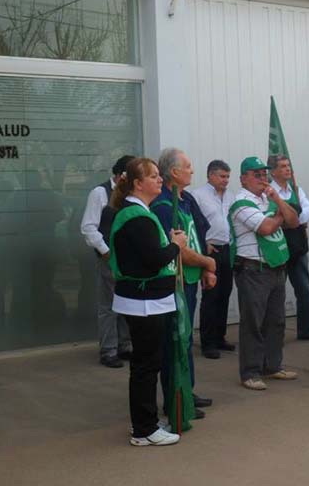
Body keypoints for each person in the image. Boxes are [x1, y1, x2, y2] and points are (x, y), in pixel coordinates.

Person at [108, 157, 187, 446]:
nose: (159, 180)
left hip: (147, 300)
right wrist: (175, 246)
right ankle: (145, 429)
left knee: (145, 364)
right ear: (138, 183)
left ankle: (144, 423)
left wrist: (167, 244)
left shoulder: (139, 213)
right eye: (153, 176)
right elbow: (153, 260)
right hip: (144, 302)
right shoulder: (137, 216)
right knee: (146, 366)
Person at [151, 148, 217, 418]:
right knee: (175, 340)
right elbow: (179, 248)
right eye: (187, 166)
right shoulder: (164, 206)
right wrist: (208, 263)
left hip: (190, 280)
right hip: (175, 283)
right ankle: (174, 399)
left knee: (187, 339)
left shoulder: (186, 199)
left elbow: (197, 235)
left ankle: (186, 391)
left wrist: (203, 269)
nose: (192, 170)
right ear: (174, 173)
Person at [230, 156, 300, 391]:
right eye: (256, 174)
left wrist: (277, 200)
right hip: (253, 269)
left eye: (264, 173)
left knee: (276, 321)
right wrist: (279, 214)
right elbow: (267, 227)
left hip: (275, 266)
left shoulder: (268, 197)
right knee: (253, 323)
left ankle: (272, 365)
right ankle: (250, 371)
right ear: (243, 178)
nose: (262, 178)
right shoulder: (241, 203)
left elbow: (294, 220)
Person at [80, 154, 134, 368]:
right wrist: (105, 251)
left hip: (128, 259)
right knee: (108, 305)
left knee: (125, 302)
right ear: (122, 175)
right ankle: (108, 350)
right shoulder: (100, 192)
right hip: (109, 258)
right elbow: (88, 227)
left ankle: (125, 345)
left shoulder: (130, 193)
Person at [268, 154, 309, 341]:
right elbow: (271, 216)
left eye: (288, 166)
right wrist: (293, 218)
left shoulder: (296, 189)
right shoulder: (269, 192)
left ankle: (306, 329)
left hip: (298, 245)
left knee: (303, 288)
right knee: (277, 292)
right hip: (279, 245)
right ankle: (275, 332)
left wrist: (291, 218)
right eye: (283, 166)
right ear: (274, 171)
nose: (288, 169)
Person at [191, 160, 237, 355]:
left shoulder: (231, 196)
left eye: (227, 176)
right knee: (211, 295)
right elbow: (193, 223)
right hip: (210, 251)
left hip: (228, 248)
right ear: (210, 175)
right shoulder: (197, 196)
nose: (225, 180)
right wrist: (203, 243)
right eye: (221, 176)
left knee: (225, 293)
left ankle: (220, 337)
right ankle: (208, 342)